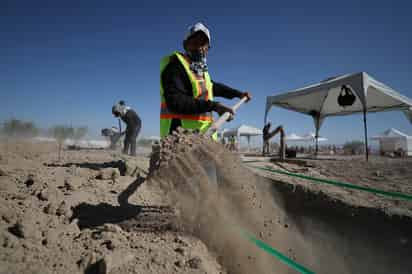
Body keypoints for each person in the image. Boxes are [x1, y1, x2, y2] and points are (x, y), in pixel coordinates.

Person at [160, 22, 252, 138]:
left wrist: (238, 94)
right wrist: (215, 106)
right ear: (185, 45)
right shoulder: (175, 66)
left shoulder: (199, 71)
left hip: (204, 137)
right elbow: (176, 101)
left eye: (203, 44)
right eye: (195, 42)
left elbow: (214, 87)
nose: (199, 48)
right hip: (180, 138)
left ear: (208, 49)